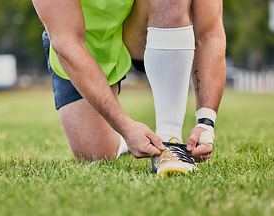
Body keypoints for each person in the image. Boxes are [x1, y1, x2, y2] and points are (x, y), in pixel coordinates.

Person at [31, 0, 226, 175]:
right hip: (84, 40)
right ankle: (122, 143)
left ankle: (169, 140)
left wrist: (205, 122)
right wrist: (125, 127)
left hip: (138, 20)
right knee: (96, 153)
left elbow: (209, 34)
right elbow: (67, 42)